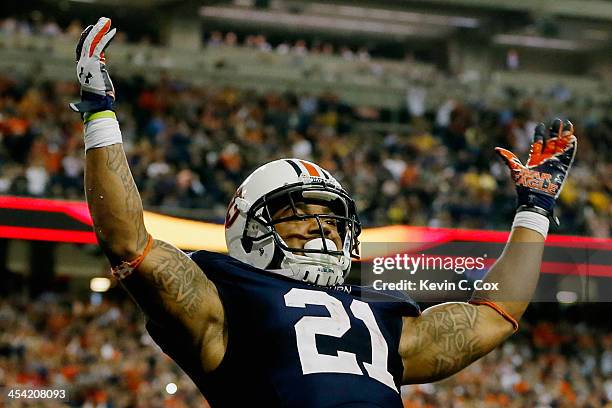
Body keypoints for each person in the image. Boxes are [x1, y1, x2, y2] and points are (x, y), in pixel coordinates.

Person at [72, 18, 577, 407]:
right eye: (298, 212)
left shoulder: (382, 315)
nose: (321, 228)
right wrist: (99, 114)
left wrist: (533, 210)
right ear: (248, 229)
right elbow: (128, 243)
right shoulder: (225, 295)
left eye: (332, 218)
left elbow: (494, 316)